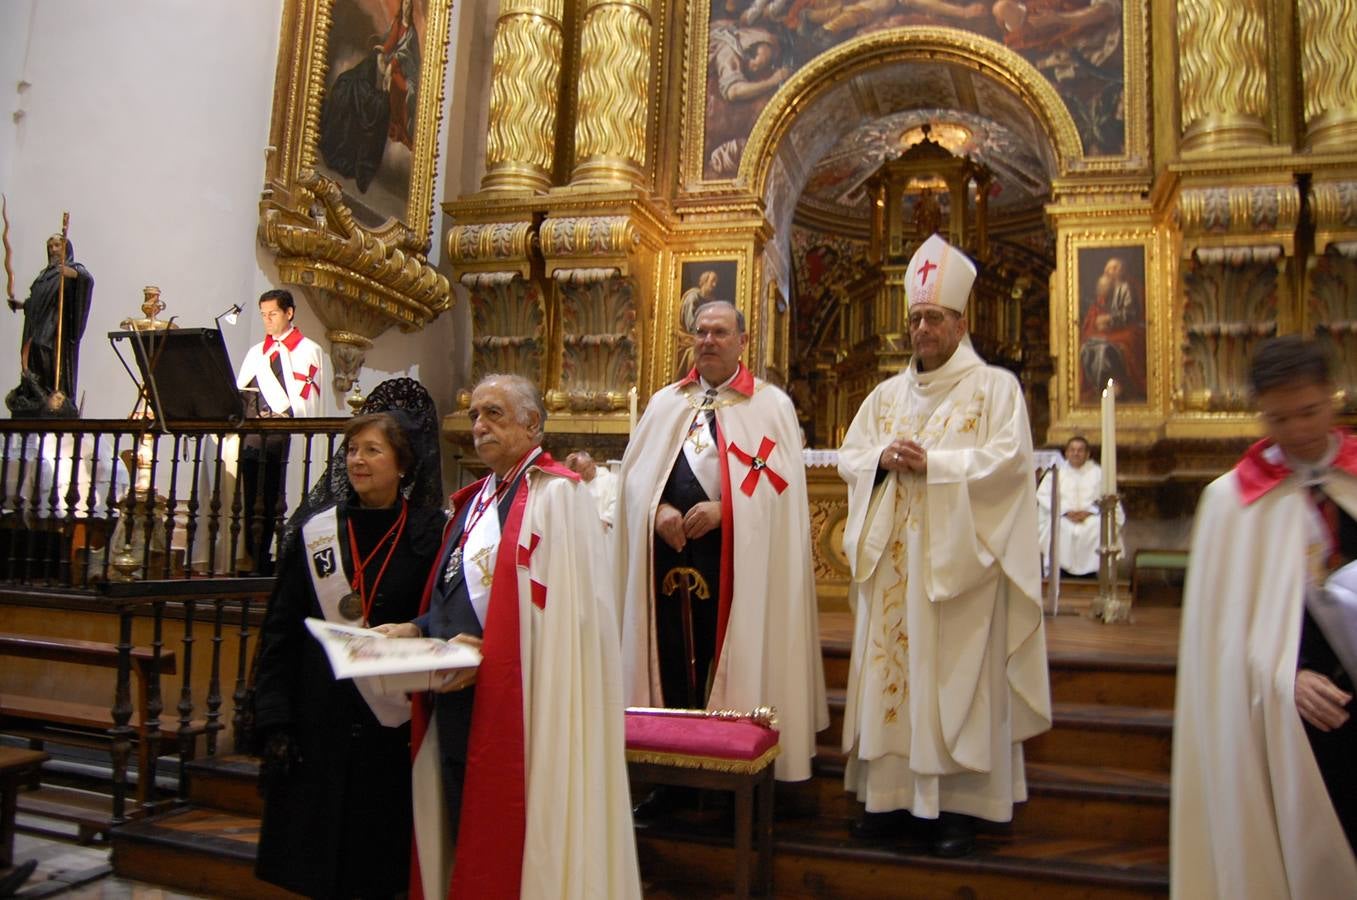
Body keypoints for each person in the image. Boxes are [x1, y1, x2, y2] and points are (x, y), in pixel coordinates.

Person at [376, 374, 640, 900]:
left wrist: (490, 652)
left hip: (519, 703)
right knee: (460, 818)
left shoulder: (557, 496)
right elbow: (456, 596)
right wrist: (417, 627)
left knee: (508, 825)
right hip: (455, 694)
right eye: (475, 414)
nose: (479, 426)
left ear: (532, 424)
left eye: (494, 414)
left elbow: (566, 621)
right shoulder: (475, 500)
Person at [836, 234, 1050, 857]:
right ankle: (887, 800)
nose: (922, 328)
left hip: (961, 568)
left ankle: (958, 807)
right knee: (891, 680)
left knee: (954, 683)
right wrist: (881, 457)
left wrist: (937, 465)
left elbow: (1010, 462)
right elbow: (851, 457)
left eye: (934, 317)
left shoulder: (995, 389)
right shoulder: (885, 396)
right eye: (915, 318)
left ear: (961, 321)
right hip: (895, 563)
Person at [1173, 336, 1357, 897]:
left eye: (1310, 411)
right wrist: (1283, 677)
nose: (1299, 429)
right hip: (1296, 716)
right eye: (1279, 417)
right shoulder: (1232, 503)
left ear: (1334, 396)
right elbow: (1220, 638)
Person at [617, 301, 828, 787]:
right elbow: (633, 481)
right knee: (668, 666)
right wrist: (657, 511)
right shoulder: (666, 403)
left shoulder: (770, 407)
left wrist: (727, 512)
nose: (708, 340)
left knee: (728, 666)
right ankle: (665, 778)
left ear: (742, 341)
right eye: (701, 332)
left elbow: (781, 495)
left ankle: (725, 783)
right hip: (666, 564)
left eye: (719, 332)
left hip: (736, 568)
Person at [251, 378, 446, 899]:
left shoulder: (430, 533)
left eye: (372, 450)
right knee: (316, 864)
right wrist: (274, 718)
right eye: (352, 450)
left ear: (402, 465)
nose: (358, 460)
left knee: (376, 867)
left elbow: (443, 616)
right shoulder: (316, 533)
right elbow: (280, 628)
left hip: (390, 725)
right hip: (319, 717)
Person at [234, 289, 324, 575]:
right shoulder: (255, 353)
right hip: (252, 436)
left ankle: (276, 557)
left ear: (289, 313)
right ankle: (253, 556)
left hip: (282, 438)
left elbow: (305, 397)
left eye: (273, 314)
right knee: (251, 498)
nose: (267, 320)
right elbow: (241, 391)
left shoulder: (307, 349)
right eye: (263, 315)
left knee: (275, 496)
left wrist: (283, 413)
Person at [6, 233, 93, 417]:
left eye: (57, 246)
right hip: (36, 324)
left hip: (55, 327)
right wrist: (22, 305)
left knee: (43, 349)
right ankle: (36, 396)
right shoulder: (44, 275)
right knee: (30, 356)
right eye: (50, 247)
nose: (53, 249)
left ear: (66, 248)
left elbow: (87, 279)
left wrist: (73, 275)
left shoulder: (72, 268)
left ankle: (53, 396)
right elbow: (37, 301)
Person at [1035, 435, 1123, 577]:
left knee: (1097, 527)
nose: (1076, 453)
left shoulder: (1098, 474)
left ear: (1087, 454)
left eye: (1080, 450)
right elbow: (1044, 496)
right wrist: (1065, 511)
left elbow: (1109, 499)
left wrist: (1090, 512)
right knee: (1058, 527)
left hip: (1091, 518)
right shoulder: (1056, 473)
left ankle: (1093, 574)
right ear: (1066, 453)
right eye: (1072, 450)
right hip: (1064, 517)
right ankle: (1061, 573)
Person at [565, 449, 618, 529]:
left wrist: (606, 519)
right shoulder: (575, 484)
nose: (585, 472)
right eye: (581, 470)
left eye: (586, 467)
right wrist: (566, 471)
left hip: (604, 528)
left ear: (592, 462)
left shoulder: (611, 479)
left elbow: (616, 502)